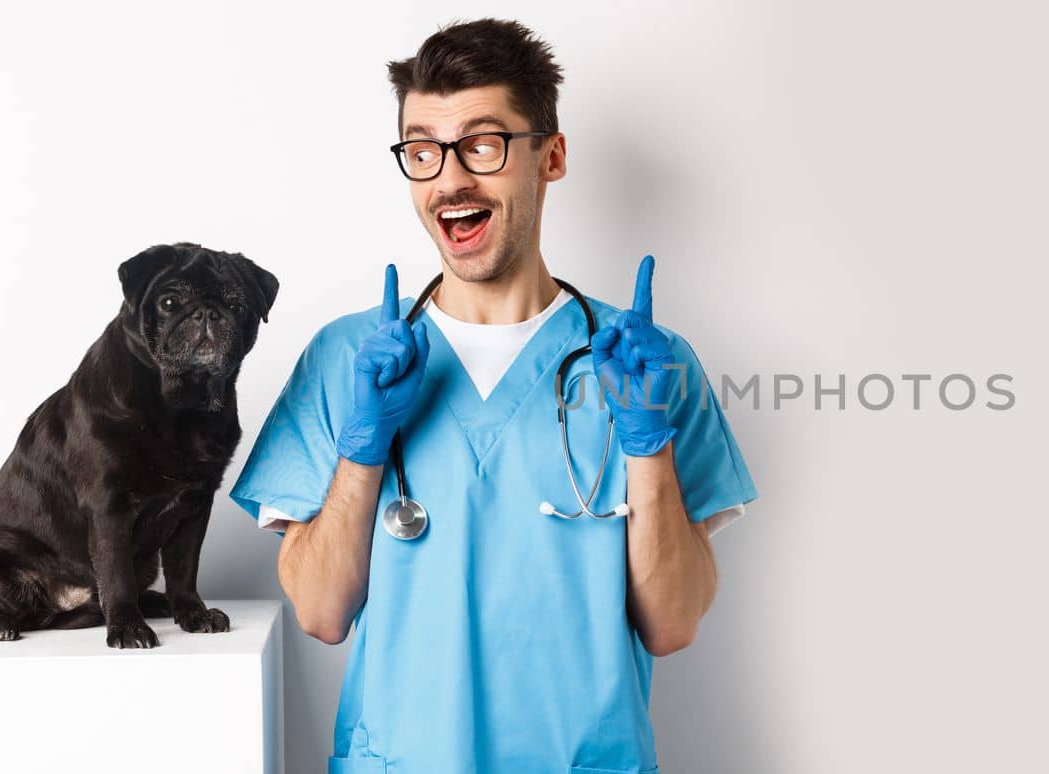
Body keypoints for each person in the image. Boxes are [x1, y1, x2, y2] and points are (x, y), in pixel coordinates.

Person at [228, 18, 757, 773]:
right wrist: (361, 450)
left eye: (482, 143)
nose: (449, 179)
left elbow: (672, 624)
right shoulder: (349, 359)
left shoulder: (647, 361)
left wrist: (649, 441)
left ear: (552, 156)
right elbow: (320, 614)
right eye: (423, 150)